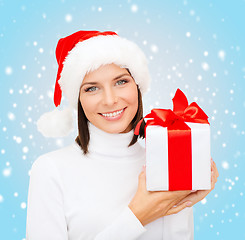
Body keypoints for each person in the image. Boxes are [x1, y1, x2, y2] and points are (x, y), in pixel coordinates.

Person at [26, 30, 219, 240]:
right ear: (78, 99)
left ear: (137, 85)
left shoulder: (162, 159)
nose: (110, 100)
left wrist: (184, 199)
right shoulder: (51, 170)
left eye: (121, 82)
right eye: (91, 88)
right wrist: (137, 216)